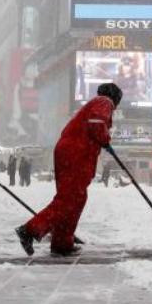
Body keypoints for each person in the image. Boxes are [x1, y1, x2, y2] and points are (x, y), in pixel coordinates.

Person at [16, 83, 121, 257]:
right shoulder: (104, 101)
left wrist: (103, 141)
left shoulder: (95, 103)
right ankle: (30, 230)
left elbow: (94, 124)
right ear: (115, 98)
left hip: (72, 153)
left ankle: (62, 243)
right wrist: (105, 140)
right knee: (69, 199)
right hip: (75, 154)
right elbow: (96, 123)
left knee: (76, 198)